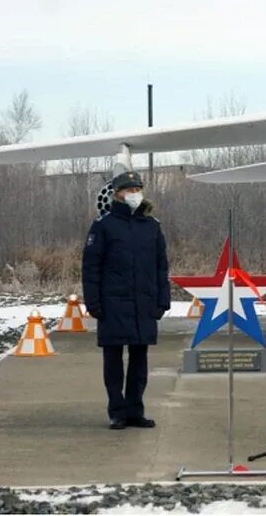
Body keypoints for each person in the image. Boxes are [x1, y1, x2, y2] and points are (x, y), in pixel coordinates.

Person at [82, 170, 170, 430]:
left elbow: (161, 267)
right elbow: (91, 266)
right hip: (113, 304)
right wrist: (93, 302)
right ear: (117, 193)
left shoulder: (152, 225)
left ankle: (135, 410)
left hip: (143, 304)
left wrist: (162, 301)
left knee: (139, 360)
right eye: (129, 189)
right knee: (113, 361)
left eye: (138, 188)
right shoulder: (104, 225)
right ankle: (117, 411)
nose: (134, 194)